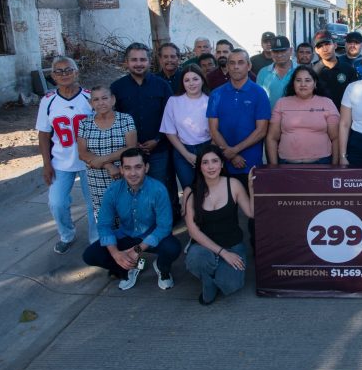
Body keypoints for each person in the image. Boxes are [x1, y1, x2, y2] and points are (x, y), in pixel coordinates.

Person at [82, 148, 182, 291]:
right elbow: (104, 225)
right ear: (121, 170)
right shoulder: (113, 190)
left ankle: (162, 268)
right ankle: (128, 267)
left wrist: (137, 250)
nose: (133, 173)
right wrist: (116, 254)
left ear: (146, 168)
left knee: (172, 248)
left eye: (138, 167)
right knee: (90, 255)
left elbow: (164, 227)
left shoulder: (158, 189)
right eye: (127, 168)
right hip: (126, 235)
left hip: (151, 236)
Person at [207, 48, 270, 250]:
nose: (235, 67)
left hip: (250, 163)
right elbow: (213, 129)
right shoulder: (217, 94)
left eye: (240, 62)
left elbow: (261, 130)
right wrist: (229, 153)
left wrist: (235, 151)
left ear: (249, 66)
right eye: (231, 63)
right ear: (226, 67)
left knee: (254, 212)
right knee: (226, 211)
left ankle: (256, 251)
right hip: (224, 164)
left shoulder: (259, 93)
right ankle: (229, 249)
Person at [111, 42, 179, 223]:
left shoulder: (162, 86)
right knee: (134, 191)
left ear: (149, 61)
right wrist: (132, 145)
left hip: (159, 149)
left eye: (142, 59)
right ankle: (141, 228)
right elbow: (113, 119)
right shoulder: (117, 88)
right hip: (130, 152)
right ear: (126, 62)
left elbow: (171, 117)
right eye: (134, 60)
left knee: (161, 189)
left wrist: (157, 139)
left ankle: (164, 228)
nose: (138, 63)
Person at [37, 57, 97, 253]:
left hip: (90, 160)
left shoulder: (90, 98)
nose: (64, 74)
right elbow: (44, 134)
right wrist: (47, 164)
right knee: (57, 202)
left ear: (76, 72)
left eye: (68, 70)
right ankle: (66, 234)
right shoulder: (48, 101)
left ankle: (96, 239)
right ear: (53, 76)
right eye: (59, 71)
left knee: (94, 204)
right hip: (61, 161)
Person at [185, 145, 253, 305]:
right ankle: (207, 281)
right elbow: (193, 232)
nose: (210, 167)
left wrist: (251, 187)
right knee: (196, 258)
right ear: (199, 166)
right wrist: (223, 253)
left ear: (222, 164)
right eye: (205, 162)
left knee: (231, 285)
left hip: (233, 246)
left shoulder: (233, 184)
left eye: (215, 161)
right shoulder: (191, 191)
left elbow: (251, 213)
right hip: (204, 247)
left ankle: (211, 274)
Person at [77, 85, 137, 220]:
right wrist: (109, 166)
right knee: (104, 216)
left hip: (123, 175)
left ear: (113, 99)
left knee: (128, 213)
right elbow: (82, 153)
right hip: (96, 178)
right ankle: (109, 241)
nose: (101, 103)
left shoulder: (126, 119)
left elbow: (131, 148)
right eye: (96, 100)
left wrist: (102, 160)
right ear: (91, 103)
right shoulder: (84, 124)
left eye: (104, 98)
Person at [266, 66, 340, 165]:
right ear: (293, 83)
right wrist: (274, 167)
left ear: (315, 83)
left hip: (321, 163)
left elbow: (335, 138)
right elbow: (272, 138)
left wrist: (335, 167)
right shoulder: (282, 103)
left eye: (308, 80)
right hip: (287, 164)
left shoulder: (327, 103)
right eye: (298, 80)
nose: (303, 84)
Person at [160, 64, 211, 194]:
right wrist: (186, 154)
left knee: (208, 189)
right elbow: (169, 131)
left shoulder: (210, 100)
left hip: (206, 148)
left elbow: (216, 130)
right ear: (182, 83)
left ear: (202, 80)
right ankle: (190, 214)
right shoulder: (173, 101)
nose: (191, 83)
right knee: (189, 189)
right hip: (182, 151)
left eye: (195, 79)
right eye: (187, 80)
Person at [312, 29, 358, 109]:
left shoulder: (348, 69)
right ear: (316, 50)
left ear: (335, 45)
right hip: (321, 118)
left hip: (345, 117)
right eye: (320, 46)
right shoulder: (312, 72)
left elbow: (356, 97)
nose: (325, 49)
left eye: (327, 44)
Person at [257, 35, 296, 109]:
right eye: (276, 51)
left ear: (290, 51)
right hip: (269, 118)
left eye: (283, 51)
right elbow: (259, 99)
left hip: (295, 119)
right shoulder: (263, 73)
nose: (279, 55)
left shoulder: (301, 71)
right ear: (271, 53)